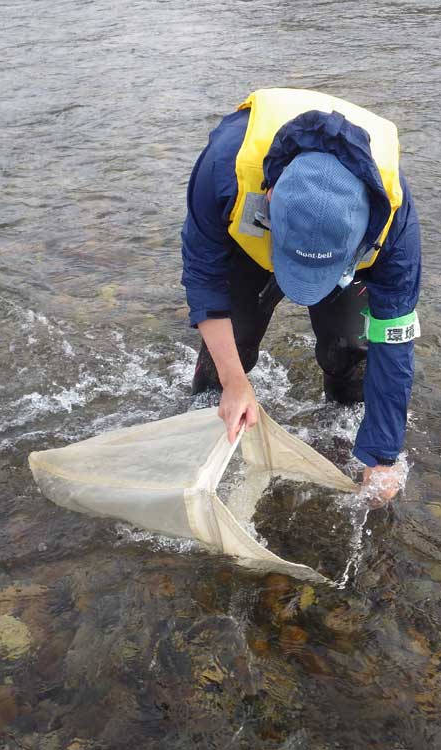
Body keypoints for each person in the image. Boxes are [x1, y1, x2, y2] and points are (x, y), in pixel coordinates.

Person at [180, 88, 421, 502]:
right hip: (249, 241)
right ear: (270, 198)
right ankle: (208, 420)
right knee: (229, 359)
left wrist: (382, 457)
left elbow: (394, 335)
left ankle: (343, 436)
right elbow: (204, 278)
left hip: (338, 253)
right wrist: (235, 380)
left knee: (349, 353)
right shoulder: (225, 168)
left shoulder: (394, 227)